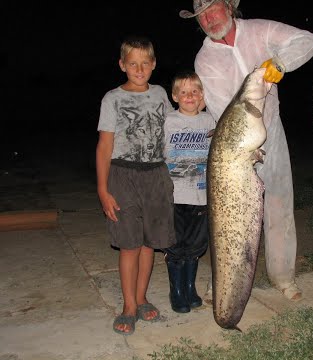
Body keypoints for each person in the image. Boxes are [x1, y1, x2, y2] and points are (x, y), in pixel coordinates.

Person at [179, 0, 313, 301]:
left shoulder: (260, 29)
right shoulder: (204, 59)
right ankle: (225, 282)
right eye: (202, 16)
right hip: (233, 144)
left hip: (273, 131)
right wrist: (243, 145)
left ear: (229, 8)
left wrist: (280, 62)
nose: (209, 18)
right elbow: (222, 109)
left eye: (214, 9)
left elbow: (308, 41)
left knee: (279, 204)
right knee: (230, 217)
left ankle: (283, 277)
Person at [96, 36, 175, 335]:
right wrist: (103, 190)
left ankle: (142, 298)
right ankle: (129, 306)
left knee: (148, 243)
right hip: (123, 175)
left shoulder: (160, 94)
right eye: (133, 64)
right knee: (129, 244)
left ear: (154, 64)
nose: (139, 69)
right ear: (122, 65)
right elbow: (104, 147)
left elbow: (174, 128)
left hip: (156, 174)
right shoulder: (112, 99)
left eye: (145, 63)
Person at [163, 70, 215, 313]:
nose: (190, 96)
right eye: (183, 92)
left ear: (202, 95)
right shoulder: (168, 121)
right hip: (174, 196)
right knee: (176, 245)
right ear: (175, 96)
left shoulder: (210, 121)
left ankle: (190, 288)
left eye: (195, 91)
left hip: (201, 195)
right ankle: (177, 291)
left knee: (195, 245)